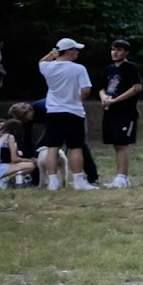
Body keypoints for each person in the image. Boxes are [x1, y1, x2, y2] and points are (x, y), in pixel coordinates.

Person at [36, 39, 96, 191]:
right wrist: (78, 97)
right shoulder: (78, 69)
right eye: (75, 50)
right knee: (76, 147)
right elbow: (86, 89)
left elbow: (41, 62)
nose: (77, 52)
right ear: (69, 51)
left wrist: (51, 54)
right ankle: (78, 181)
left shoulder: (48, 67)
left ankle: (53, 182)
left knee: (53, 147)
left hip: (53, 112)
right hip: (73, 112)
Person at [98, 39, 143, 188]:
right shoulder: (109, 69)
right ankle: (121, 177)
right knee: (115, 143)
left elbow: (136, 87)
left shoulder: (130, 67)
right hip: (110, 111)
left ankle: (122, 177)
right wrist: (104, 97)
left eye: (119, 50)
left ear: (126, 52)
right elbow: (101, 88)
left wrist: (116, 100)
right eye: (113, 49)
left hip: (126, 112)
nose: (115, 52)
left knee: (122, 143)